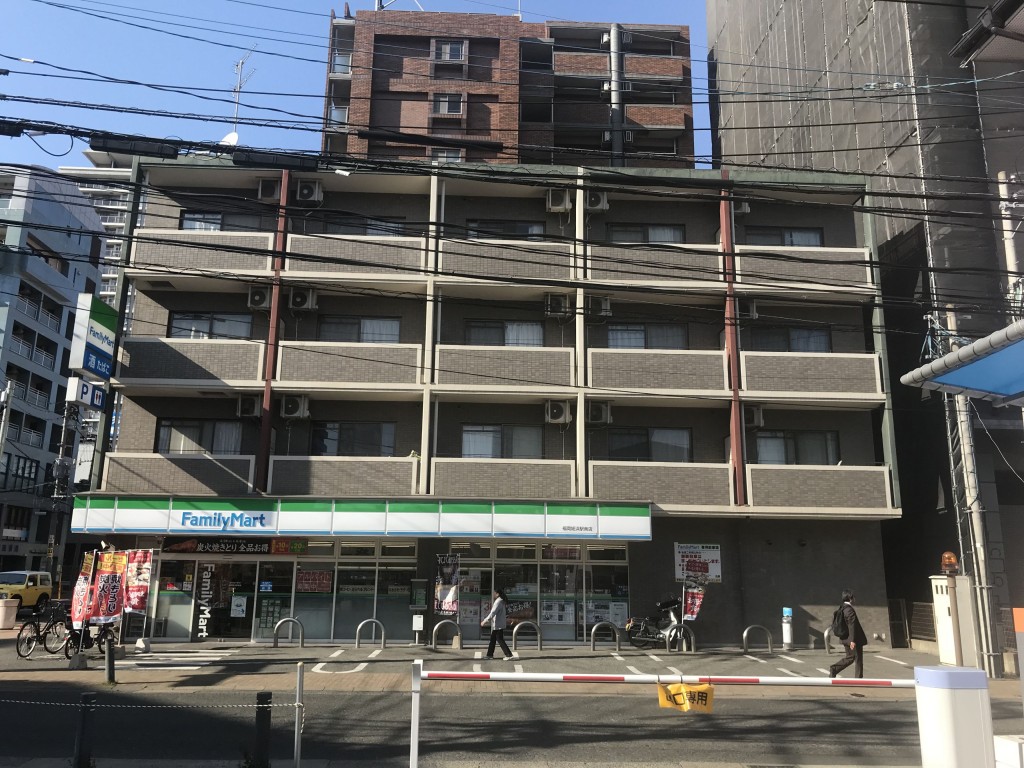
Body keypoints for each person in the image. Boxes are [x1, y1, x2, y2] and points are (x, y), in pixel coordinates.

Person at [829, 589, 868, 678]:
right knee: (857, 659)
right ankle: (858, 679)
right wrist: (852, 640)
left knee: (850, 657)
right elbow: (852, 625)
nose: (855, 599)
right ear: (850, 598)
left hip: (845, 638)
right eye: (853, 597)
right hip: (853, 639)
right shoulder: (849, 610)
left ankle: (834, 669)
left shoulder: (842, 608)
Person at [480, 588, 514, 661]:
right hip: (498, 624)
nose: (493, 594)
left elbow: (493, 613)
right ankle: (489, 655)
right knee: (493, 639)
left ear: (497, 594)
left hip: (498, 624)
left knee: (500, 639)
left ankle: (509, 654)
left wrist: (485, 621)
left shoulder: (498, 602)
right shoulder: (501, 601)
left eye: (494, 593)